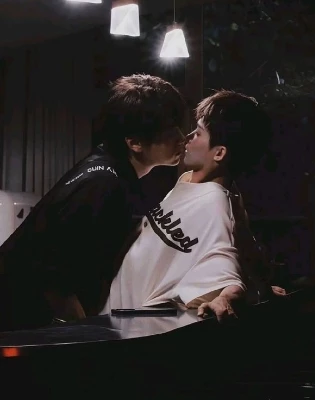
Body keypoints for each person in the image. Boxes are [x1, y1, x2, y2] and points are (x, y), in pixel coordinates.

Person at [0, 74, 187, 330]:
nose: (181, 138)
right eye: (170, 132)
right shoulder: (104, 184)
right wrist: (80, 332)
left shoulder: (106, 168)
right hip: (17, 321)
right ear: (134, 142)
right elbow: (53, 275)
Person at [101, 90, 277, 321]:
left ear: (219, 153)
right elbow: (243, 241)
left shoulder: (215, 203)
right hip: (112, 312)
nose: (188, 137)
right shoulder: (189, 181)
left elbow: (224, 258)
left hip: (137, 326)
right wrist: (260, 285)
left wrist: (228, 295)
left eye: (199, 133)